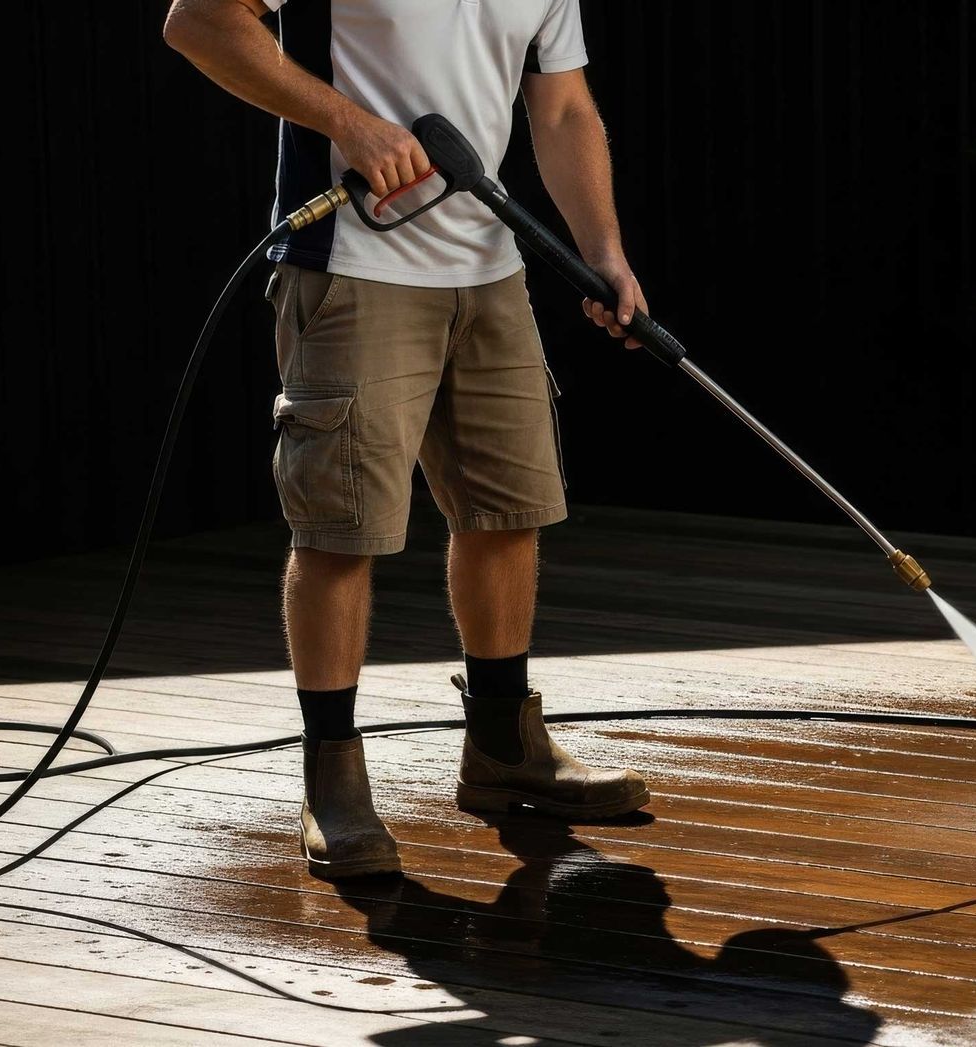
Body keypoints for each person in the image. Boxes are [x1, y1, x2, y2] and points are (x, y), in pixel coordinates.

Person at [163, 0, 650, 880]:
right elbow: (198, 21)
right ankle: (333, 782)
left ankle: (503, 747)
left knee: (507, 515)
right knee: (340, 532)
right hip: (354, 266)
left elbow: (563, 108)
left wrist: (604, 251)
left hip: (491, 269)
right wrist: (347, 123)